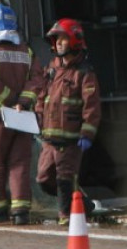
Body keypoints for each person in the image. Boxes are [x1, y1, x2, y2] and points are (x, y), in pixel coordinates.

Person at [0, 4, 44, 226]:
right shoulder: (27, 51)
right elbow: (37, 80)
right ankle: (21, 212)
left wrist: (10, 101)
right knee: (19, 163)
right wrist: (22, 102)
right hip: (22, 118)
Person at [35, 18, 101, 226]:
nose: (58, 44)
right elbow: (41, 97)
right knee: (44, 179)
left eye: (62, 39)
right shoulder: (52, 70)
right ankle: (81, 203)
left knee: (65, 178)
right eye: (56, 40)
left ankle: (67, 217)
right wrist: (36, 119)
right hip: (48, 138)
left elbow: (92, 107)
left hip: (71, 140)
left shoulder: (84, 73)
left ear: (74, 40)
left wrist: (87, 134)